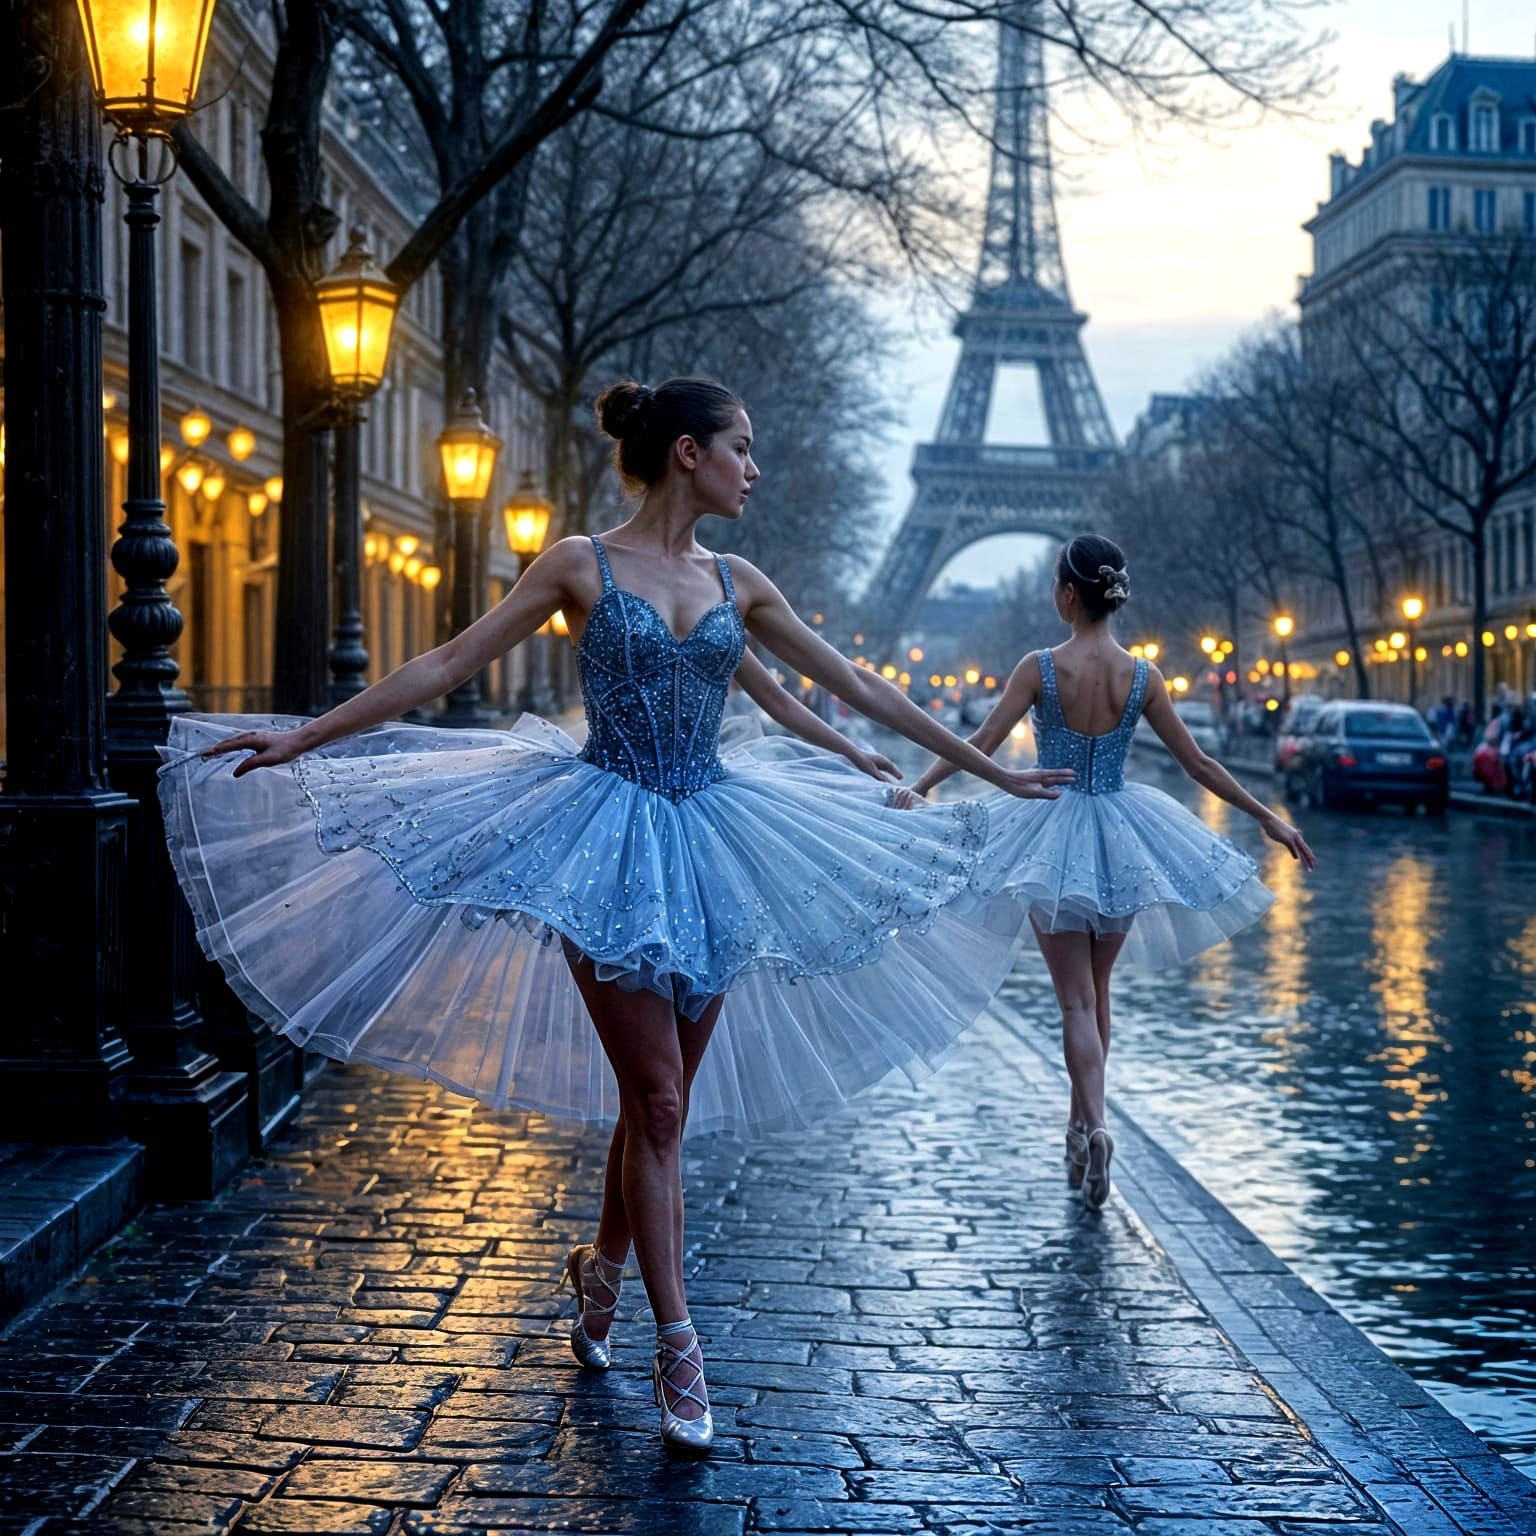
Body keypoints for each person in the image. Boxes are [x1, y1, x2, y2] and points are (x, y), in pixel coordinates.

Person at [156, 376, 1073, 1454]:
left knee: (658, 1106)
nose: (756, 467)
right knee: (664, 1098)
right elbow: (451, 660)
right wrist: (309, 737)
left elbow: (861, 685)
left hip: (721, 848)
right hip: (600, 844)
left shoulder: (742, 580)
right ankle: (677, 1343)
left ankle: (600, 1269)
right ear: (688, 452)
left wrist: (991, 773)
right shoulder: (576, 564)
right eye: (743, 447)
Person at [896, 534, 1315, 1210]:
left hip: (1049, 832)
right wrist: (1270, 818)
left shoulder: (1039, 667)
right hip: (1123, 836)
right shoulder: (1143, 675)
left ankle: (1093, 1127)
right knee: (1099, 992)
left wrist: (921, 785)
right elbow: (1199, 765)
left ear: (1067, 594)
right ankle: (1080, 1125)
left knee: (1075, 1002)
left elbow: (980, 745)